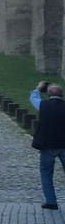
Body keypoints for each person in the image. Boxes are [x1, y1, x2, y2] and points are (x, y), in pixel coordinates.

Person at [30, 81, 65, 210]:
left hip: (47, 145)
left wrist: (38, 88)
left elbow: (33, 99)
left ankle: (51, 201)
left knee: (46, 173)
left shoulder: (43, 105)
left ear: (48, 94)